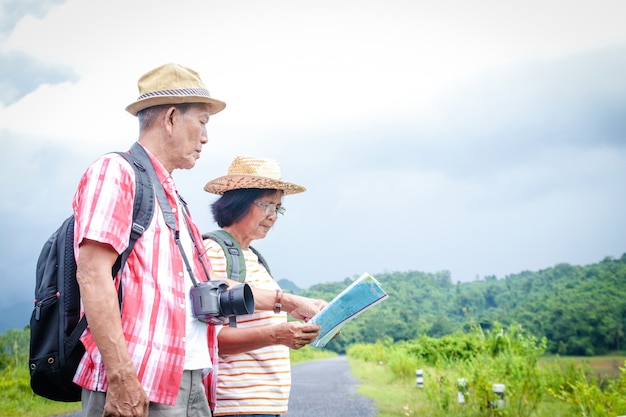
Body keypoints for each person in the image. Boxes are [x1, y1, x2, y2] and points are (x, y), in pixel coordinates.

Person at [73, 63, 324, 417]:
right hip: (141, 378)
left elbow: (202, 296)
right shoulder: (117, 172)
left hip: (189, 380)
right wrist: (122, 376)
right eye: (203, 122)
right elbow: (92, 273)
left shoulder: (175, 199)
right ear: (172, 117)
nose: (206, 137)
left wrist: (286, 302)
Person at [202, 156, 327, 417]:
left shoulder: (253, 258)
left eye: (278, 208)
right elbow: (212, 339)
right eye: (266, 205)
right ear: (238, 203)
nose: (273, 216)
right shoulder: (215, 251)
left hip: (262, 405)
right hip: (237, 403)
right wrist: (276, 333)